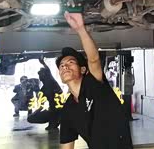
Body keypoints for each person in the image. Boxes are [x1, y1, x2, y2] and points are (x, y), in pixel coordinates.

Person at [58, 12, 133, 149]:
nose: (65, 67)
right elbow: (66, 145)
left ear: (83, 70)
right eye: (61, 66)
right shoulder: (68, 110)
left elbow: (93, 59)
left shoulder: (93, 84)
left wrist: (80, 29)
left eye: (71, 62)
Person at [39, 56, 62, 131]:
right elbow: (41, 101)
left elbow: (47, 70)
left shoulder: (50, 80)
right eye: (39, 75)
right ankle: (54, 123)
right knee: (53, 111)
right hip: (53, 105)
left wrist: (43, 62)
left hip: (58, 103)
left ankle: (55, 123)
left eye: (41, 74)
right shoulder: (43, 89)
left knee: (55, 111)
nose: (40, 77)